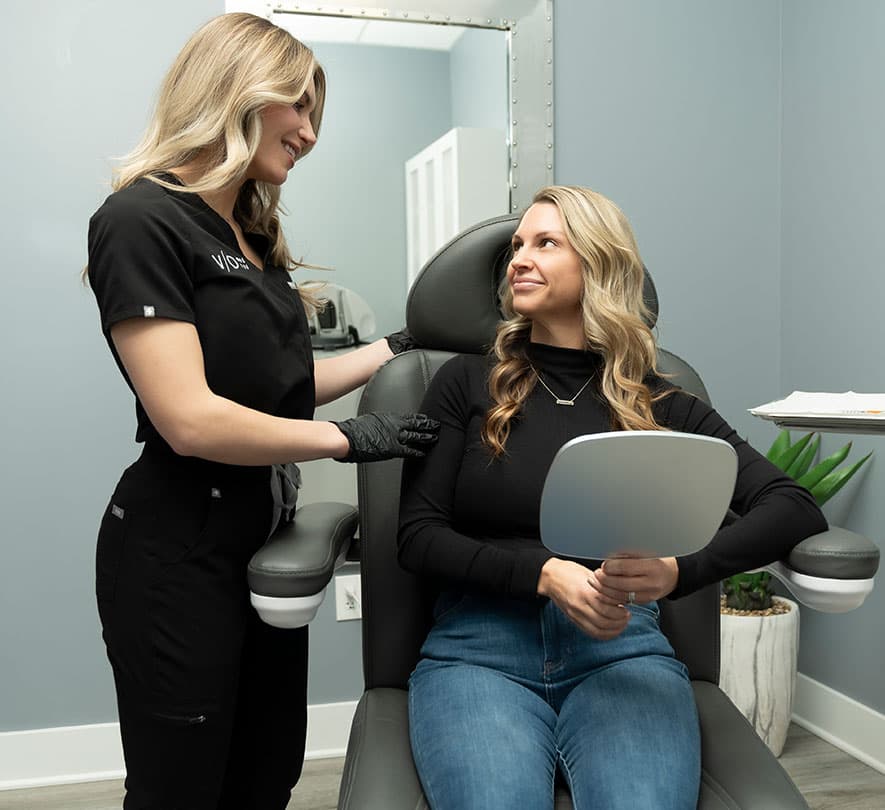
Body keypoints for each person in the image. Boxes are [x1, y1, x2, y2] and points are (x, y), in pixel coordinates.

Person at [86, 12, 437, 810]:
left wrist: (396, 347)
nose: (310, 133)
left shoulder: (248, 235)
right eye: (299, 107)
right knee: (183, 786)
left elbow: (278, 387)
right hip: (177, 547)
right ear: (240, 90)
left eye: (316, 113)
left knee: (265, 771)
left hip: (262, 535)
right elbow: (191, 419)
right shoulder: (141, 219)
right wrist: (345, 442)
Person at [397, 185, 827, 809]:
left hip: (620, 652)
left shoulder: (660, 404)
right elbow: (417, 536)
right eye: (518, 245)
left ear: (598, 264)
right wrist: (545, 574)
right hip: (478, 652)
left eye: (546, 243)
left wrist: (680, 572)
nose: (518, 258)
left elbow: (791, 504)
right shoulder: (464, 383)